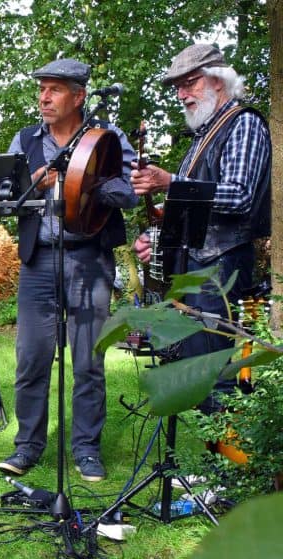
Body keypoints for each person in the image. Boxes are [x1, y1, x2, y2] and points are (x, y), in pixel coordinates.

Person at [0, 59, 138, 483]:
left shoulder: (107, 139)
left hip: (90, 259)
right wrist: (28, 188)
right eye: (41, 89)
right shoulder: (23, 141)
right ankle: (27, 447)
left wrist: (93, 185)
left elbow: (128, 191)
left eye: (54, 90)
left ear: (79, 97)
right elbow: (3, 198)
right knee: (32, 358)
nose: (43, 97)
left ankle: (86, 449)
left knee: (88, 361)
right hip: (38, 260)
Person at [131, 44, 270, 407]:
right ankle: (211, 463)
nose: (181, 94)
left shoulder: (243, 123)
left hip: (222, 268)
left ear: (218, 81)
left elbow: (240, 197)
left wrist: (171, 183)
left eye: (189, 83)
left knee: (217, 375)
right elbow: (190, 203)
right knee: (197, 370)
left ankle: (229, 463)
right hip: (196, 267)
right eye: (178, 86)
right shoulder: (202, 135)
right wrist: (154, 232)